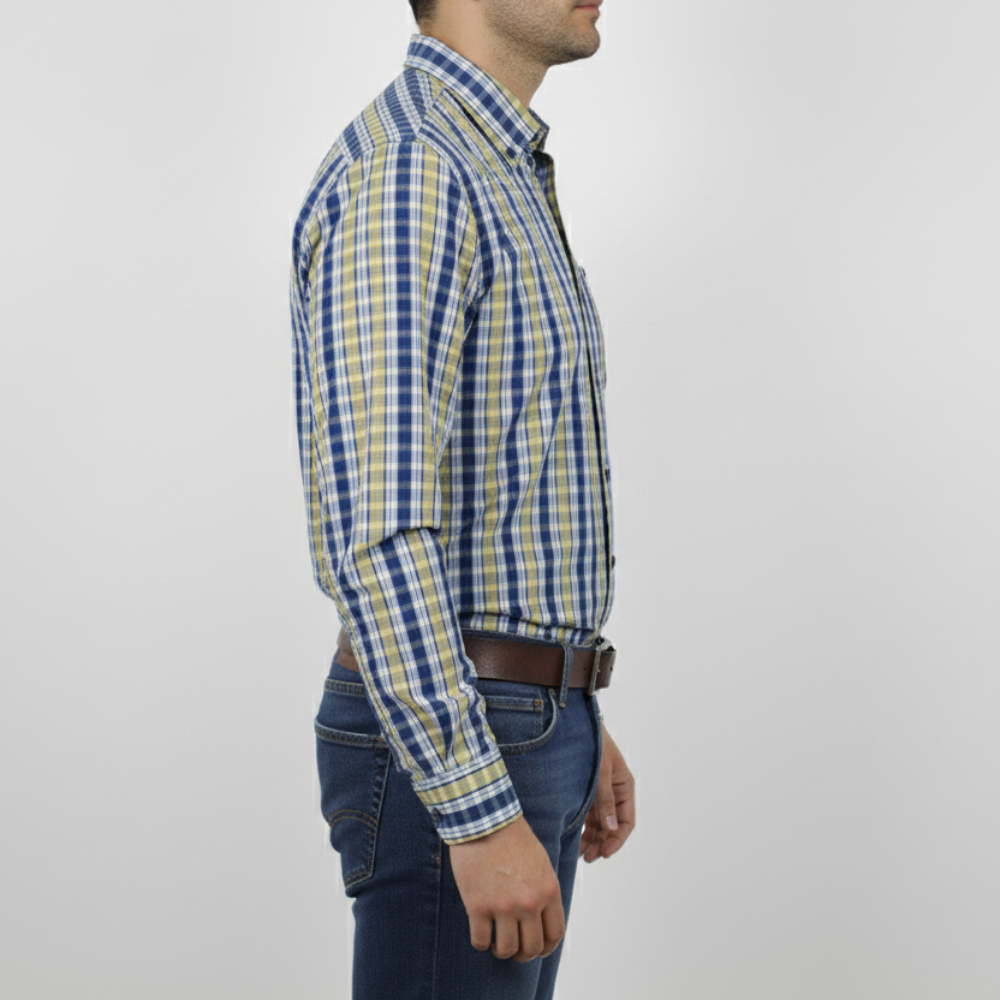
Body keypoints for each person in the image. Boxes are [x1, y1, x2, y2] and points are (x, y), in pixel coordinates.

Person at [289, 1, 635, 996]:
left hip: (513, 715)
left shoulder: (489, 164)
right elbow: (378, 530)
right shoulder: (414, 170)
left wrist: (570, 708)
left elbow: (499, 486)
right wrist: (477, 806)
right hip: (465, 732)